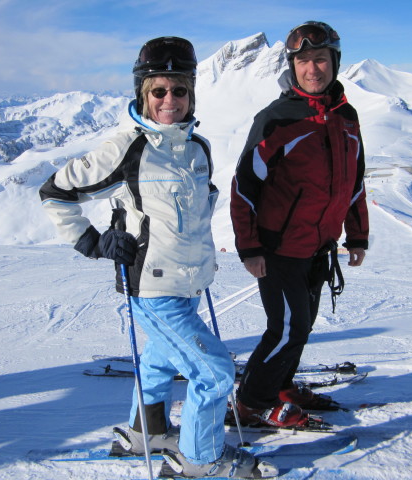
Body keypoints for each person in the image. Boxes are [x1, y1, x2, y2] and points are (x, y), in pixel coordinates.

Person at [39, 37, 274, 478]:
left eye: (179, 90)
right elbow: (56, 193)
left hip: (189, 283)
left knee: (162, 358)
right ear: (142, 95)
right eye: (158, 90)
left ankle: (146, 432)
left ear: (191, 93)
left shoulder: (197, 147)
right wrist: (93, 241)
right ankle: (200, 461)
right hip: (152, 287)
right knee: (214, 372)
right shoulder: (129, 148)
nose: (170, 100)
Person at [230, 21, 369, 428]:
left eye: (321, 59)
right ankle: (251, 404)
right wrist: (251, 248)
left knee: (302, 325)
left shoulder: (347, 117)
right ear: (292, 66)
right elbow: (244, 187)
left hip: (319, 245)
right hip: (278, 248)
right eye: (304, 60)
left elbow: (355, 182)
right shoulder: (276, 120)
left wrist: (357, 234)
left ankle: (283, 387)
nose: (313, 68)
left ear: (334, 62)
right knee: (287, 328)